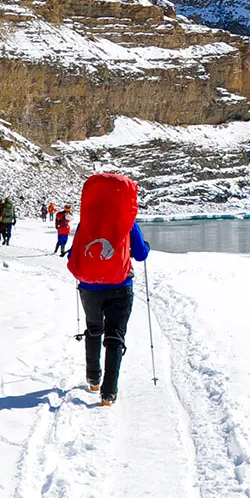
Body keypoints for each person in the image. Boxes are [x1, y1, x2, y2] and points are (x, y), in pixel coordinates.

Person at [67, 174, 149, 407]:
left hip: (89, 287)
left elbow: (76, 254)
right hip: (120, 287)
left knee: (94, 329)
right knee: (115, 336)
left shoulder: (87, 221)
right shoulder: (127, 220)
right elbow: (141, 254)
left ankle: (93, 378)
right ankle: (108, 393)